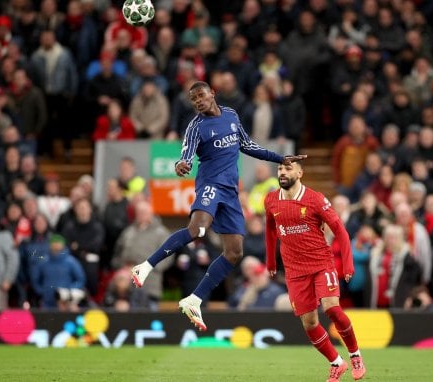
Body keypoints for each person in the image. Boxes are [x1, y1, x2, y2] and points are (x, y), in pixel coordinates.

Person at [130, 81, 305, 330]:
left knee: (234, 252)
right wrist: (183, 164)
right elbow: (186, 155)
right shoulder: (195, 127)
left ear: (212, 93)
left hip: (231, 193)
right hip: (211, 184)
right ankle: (145, 266)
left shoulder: (232, 115)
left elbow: (247, 145)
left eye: (201, 95)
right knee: (198, 230)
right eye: (194, 99)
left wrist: (280, 158)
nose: (198, 101)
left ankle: (194, 299)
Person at [264, 160, 365, 381]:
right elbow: (270, 230)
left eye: (288, 169)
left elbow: (340, 230)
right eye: (280, 169)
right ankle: (337, 363)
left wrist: (347, 264)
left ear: (300, 173)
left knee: (332, 309)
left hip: (321, 264)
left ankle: (355, 354)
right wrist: (271, 261)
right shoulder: (271, 200)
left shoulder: (315, 199)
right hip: (294, 270)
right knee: (309, 323)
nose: (282, 172)